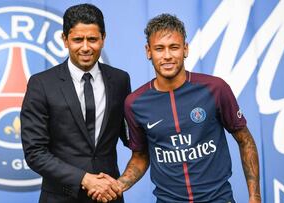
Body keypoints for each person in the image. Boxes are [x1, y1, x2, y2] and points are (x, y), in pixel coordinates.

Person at [111, 13, 261, 203]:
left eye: (174, 47)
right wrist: (119, 184)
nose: (167, 56)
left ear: (185, 49)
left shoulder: (215, 88)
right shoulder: (134, 103)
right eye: (159, 48)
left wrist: (255, 197)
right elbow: (140, 156)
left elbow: (245, 140)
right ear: (148, 51)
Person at [20, 3, 130, 203]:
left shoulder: (120, 80)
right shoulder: (41, 84)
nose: (86, 47)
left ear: (103, 39)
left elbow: (131, 136)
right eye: (78, 39)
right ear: (65, 40)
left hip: (109, 197)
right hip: (59, 198)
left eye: (93, 39)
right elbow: (34, 152)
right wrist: (84, 179)